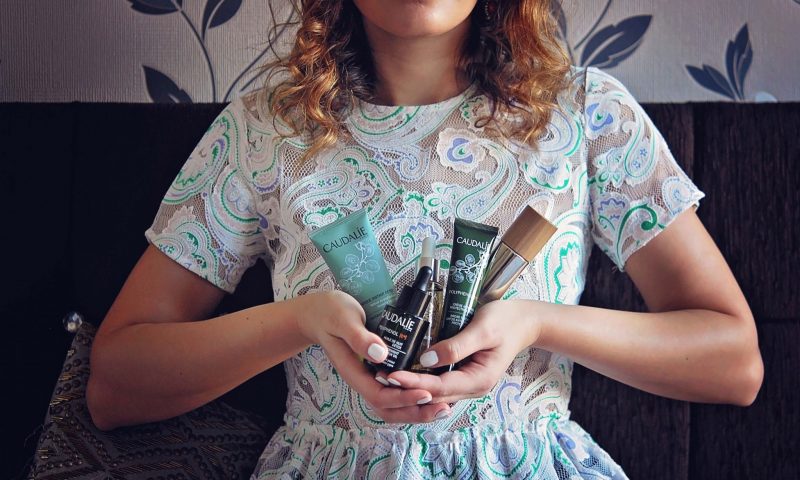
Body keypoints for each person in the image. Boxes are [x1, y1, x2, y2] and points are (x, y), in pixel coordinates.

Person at [86, 0, 764, 478]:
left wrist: (536, 323)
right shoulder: (263, 130)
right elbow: (114, 388)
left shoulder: (587, 114)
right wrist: (300, 321)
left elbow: (734, 366)